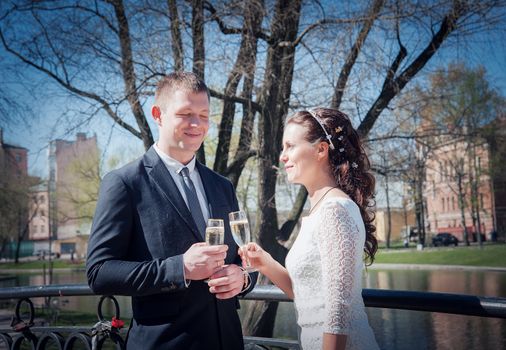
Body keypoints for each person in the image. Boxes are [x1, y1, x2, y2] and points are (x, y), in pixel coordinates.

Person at [86, 72, 256, 350]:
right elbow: (99, 272)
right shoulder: (124, 183)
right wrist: (181, 268)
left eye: (203, 115)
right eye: (185, 113)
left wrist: (244, 277)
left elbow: (246, 256)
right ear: (158, 114)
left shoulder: (222, 186)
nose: (197, 124)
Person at [241, 108, 379, 350]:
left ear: (321, 150)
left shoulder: (335, 210)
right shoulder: (319, 211)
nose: (282, 156)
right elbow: (307, 295)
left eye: (290, 146)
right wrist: (265, 263)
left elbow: (338, 310)